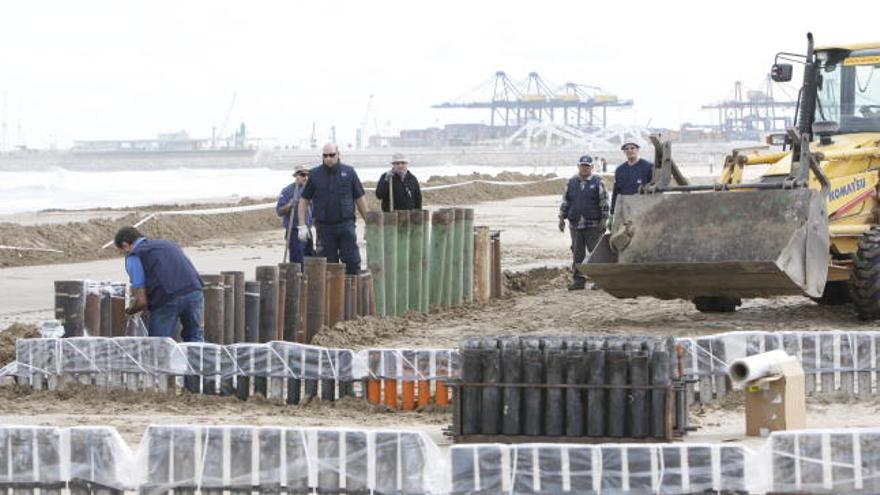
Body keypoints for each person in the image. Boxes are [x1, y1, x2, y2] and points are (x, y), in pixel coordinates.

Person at [113, 226, 204, 341]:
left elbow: (142, 302)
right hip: (194, 291)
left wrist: (129, 311)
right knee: (195, 337)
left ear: (125, 245)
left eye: (121, 251)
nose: (122, 254)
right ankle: (198, 358)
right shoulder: (168, 244)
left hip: (167, 298)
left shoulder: (134, 256)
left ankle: (162, 359)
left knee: (158, 344)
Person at [297, 143, 368, 275]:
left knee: (352, 261)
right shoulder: (315, 175)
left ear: (338, 155)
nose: (328, 158)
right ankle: (332, 294)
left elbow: (360, 198)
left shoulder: (349, 172)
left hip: (346, 225)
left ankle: (351, 292)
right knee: (329, 266)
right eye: (325, 155)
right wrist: (301, 225)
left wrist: (369, 223)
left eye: (331, 155)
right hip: (324, 228)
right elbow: (304, 200)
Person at [559, 155, 609, 290]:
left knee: (596, 253)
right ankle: (579, 280)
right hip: (575, 224)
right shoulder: (571, 182)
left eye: (587, 166)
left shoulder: (598, 182)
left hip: (593, 224)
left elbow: (604, 203)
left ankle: (600, 280)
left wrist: (604, 220)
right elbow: (565, 202)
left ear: (592, 167)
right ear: (578, 166)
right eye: (582, 165)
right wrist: (561, 218)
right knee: (577, 253)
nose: (584, 168)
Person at [609, 141, 653, 228]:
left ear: (638, 150)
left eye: (632, 148)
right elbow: (616, 192)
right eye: (626, 149)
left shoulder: (648, 167)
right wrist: (612, 213)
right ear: (624, 151)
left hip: (643, 210)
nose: (630, 150)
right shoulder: (620, 170)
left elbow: (654, 190)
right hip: (624, 211)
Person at [276, 164, 314, 264]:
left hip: (307, 229)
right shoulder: (287, 191)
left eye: (307, 175)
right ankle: (297, 278)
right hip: (294, 231)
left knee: (310, 258)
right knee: (297, 260)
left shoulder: (311, 190)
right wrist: (290, 205)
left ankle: (307, 279)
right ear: (296, 176)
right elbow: (279, 211)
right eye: (302, 175)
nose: (305, 177)